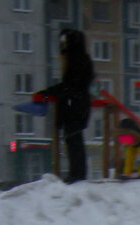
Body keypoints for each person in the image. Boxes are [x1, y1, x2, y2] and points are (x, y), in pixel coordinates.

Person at [36, 29, 95, 183]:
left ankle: (77, 174)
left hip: (74, 106)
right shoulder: (77, 59)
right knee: (72, 140)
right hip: (74, 105)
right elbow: (70, 86)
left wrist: (48, 93)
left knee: (73, 140)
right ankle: (76, 173)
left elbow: (70, 86)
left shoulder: (77, 60)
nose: (62, 46)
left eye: (64, 42)